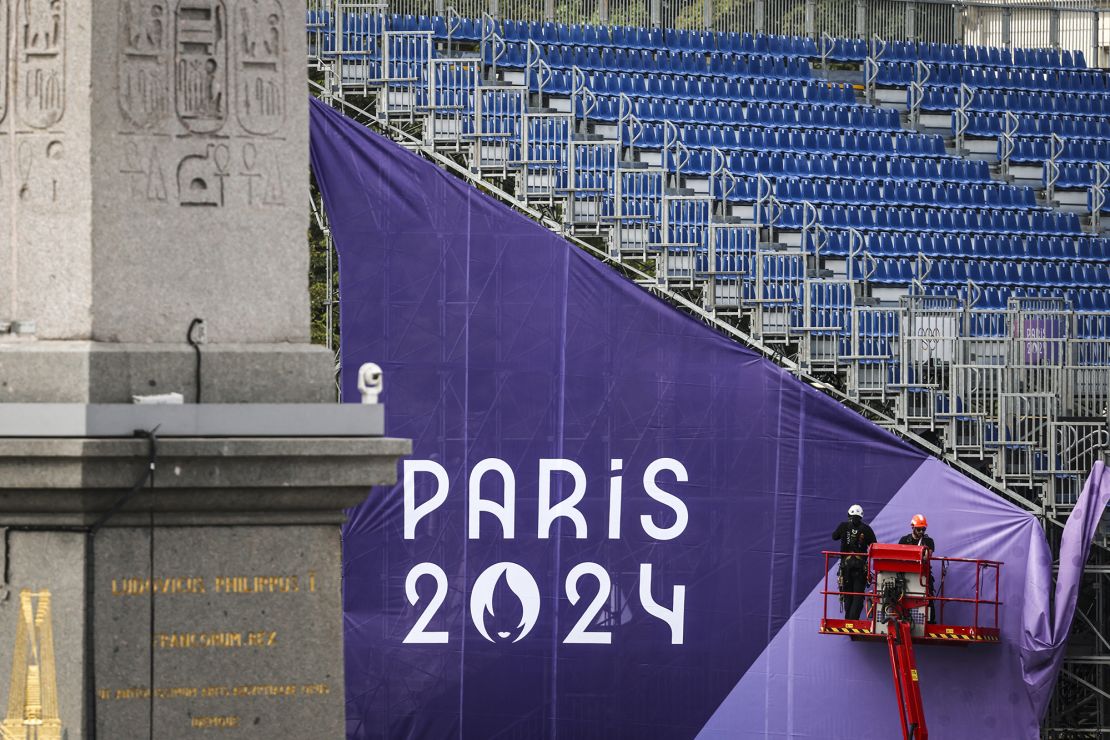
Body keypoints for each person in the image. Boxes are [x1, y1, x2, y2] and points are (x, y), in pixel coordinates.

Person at [832, 504, 876, 620]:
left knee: (848, 595)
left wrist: (845, 533)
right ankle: (852, 621)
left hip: (845, 568)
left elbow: (834, 536)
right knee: (857, 595)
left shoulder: (843, 526)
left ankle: (848, 621)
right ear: (861, 516)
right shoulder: (866, 529)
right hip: (859, 568)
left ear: (849, 514)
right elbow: (874, 545)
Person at [898, 514, 937, 622]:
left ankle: (930, 621)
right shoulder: (904, 540)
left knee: (928, 597)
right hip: (906, 574)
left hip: (923, 574)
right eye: (919, 529)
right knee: (900, 596)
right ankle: (901, 618)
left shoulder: (928, 541)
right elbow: (898, 556)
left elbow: (927, 557)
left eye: (923, 529)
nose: (921, 532)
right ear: (913, 527)